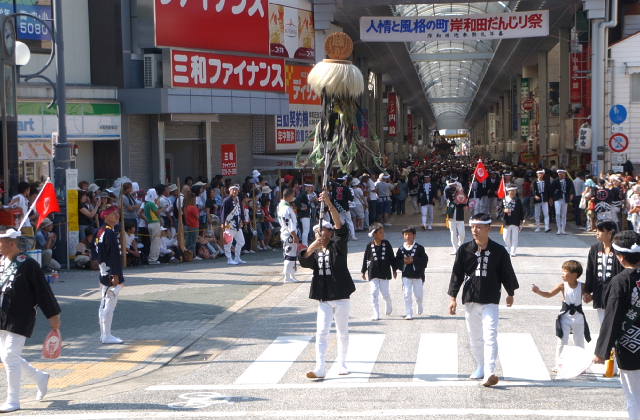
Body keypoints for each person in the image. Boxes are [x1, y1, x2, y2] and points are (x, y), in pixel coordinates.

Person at [448, 213, 519, 387]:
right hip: (470, 299)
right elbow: (457, 274)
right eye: (472, 227)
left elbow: (506, 272)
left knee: (490, 335)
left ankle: (490, 372)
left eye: (479, 227)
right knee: (475, 337)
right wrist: (453, 298)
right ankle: (480, 366)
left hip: (490, 299)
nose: (475, 230)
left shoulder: (499, 251)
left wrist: (510, 293)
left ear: (488, 228)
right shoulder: (464, 249)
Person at [0, 228, 61, 413]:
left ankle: (13, 400)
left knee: (9, 356)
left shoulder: (29, 264)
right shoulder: (2, 261)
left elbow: (43, 292)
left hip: (21, 316)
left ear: (12, 243)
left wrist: (53, 316)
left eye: (1, 242)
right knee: (7, 356)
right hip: (2, 315)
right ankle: (40, 377)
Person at [299, 191, 355, 379]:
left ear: (330, 233)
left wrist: (329, 203)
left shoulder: (338, 245)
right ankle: (320, 367)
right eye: (317, 232)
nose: (320, 234)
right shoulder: (314, 251)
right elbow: (304, 260)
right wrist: (312, 246)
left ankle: (342, 363)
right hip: (323, 297)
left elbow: (340, 225)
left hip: (341, 295)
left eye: (324, 231)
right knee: (321, 332)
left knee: (342, 331)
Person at [594, 231, 640, 420]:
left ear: (620, 257)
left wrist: (602, 351)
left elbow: (612, 317)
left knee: (634, 397)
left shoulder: (620, 281)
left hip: (631, 347)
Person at [532, 260, 590, 371]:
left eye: (565, 272)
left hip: (578, 317)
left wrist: (588, 297)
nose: (562, 274)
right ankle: (559, 365)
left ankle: (580, 365)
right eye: (562, 271)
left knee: (579, 341)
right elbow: (549, 294)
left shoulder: (582, 286)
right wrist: (538, 291)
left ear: (574, 275)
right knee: (562, 341)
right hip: (565, 317)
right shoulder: (562, 286)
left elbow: (588, 298)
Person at [95, 206, 125, 345]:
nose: (117, 216)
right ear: (106, 216)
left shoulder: (100, 231)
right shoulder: (109, 233)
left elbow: (96, 253)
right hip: (110, 272)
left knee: (104, 303)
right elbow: (114, 257)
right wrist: (116, 276)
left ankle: (104, 334)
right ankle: (106, 335)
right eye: (113, 214)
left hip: (103, 270)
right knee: (109, 303)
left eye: (117, 213)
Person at [584, 221, 624, 324]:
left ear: (610, 233)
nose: (596, 233)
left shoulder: (620, 250)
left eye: (600, 231)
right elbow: (590, 271)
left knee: (614, 323)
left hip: (615, 292)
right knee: (603, 323)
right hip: (599, 292)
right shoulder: (594, 248)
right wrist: (587, 291)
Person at [361, 223, 396, 321]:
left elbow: (392, 257)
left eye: (383, 232)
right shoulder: (369, 245)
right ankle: (376, 313)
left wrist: (394, 269)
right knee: (373, 292)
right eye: (380, 232)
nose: (383, 234)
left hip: (384, 272)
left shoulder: (387, 244)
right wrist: (363, 271)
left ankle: (388, 302)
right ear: (374, 234)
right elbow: (366, 259)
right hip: (373, 272)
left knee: (385, 293)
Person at [395, 226, 428, 320]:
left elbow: (424, 260)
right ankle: (409, 313)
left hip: (417, 275)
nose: (408, 236)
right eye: (406, 234)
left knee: (418, 295)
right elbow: (397, 260)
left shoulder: (420, 248)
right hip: (406, 275)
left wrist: (413, 260)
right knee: (407, 294)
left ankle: (419, 303)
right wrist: (402, 263)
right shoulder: (401, 249)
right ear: (403, 236)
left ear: (414, 235)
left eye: (410, 234)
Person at [278, 188, 300, 283]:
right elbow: (289, 224)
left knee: (292, 256)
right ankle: (287, 277)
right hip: (289, 234)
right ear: (289, 195)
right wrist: (294, 236)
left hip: (289, 233)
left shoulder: (282, 206)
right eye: (293, 195)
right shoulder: (285, 208)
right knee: (289, 256)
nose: (294, 197)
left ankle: (292, 275)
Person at [222, 185, 245, 265]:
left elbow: (241, 211)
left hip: (237, 224)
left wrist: (242, 220)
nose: (235, 191)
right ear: (230, 191)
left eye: (236, 190)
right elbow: (223, 213)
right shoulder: (226, 200)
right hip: (229, 224)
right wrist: (222, 223)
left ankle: (237, 258)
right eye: (233, 190)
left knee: (241, 241)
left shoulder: (238, 200)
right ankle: (229, 259)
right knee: (228, 242)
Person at [499, 185, 524, 257]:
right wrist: (504, 210)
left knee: (515, 238)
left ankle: (513, 251)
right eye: (511, 191)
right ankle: (509, 248)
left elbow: (521, 211)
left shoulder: (518, 200)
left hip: (515, 221)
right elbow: (499, 210)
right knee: (505, 237)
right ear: (508, 191)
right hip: (506, 221)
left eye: (514, 191)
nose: (513, 192)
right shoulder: (504, 200)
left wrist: (522, 220)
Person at [444, 178, 466, 255]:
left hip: (460, 214)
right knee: (453, 232)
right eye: (451, 184)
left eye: (454, 184)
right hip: (451, 213)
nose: (452, 186)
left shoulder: (460, 190)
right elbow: (449, 197)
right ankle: (455, 249)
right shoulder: (447, 189)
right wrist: (457, 190)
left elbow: (464, 200)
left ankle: (460, 246)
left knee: (462, 233)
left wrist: (464, 199)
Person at [551, 169, 575, 235]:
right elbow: (551, 189)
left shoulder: (569, 181)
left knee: (564, 214)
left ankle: (563, 229)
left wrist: (571, 194)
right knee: (558, 213)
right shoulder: (555, 181)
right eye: (559, 174)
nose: (560, 175)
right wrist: (552, 197)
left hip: (565, 198)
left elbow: (572, 189)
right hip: (557, 198)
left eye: (562, 174)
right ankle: (558, 229)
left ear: (564, 174)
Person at [143, 188, 162, 265]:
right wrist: (161, 207)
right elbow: (158, 212)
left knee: (153, 241)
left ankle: (152, 258)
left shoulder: (146, 204)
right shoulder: (151, 203)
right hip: (155, 223)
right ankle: (153, 259)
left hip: (149, 223)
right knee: (155, 242)